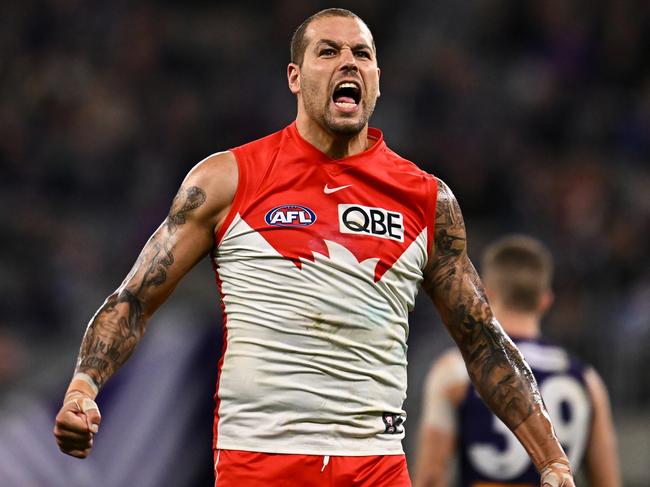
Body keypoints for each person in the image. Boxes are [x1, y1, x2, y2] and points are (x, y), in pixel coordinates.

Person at [53, 8, 576, 487]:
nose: (348, 61)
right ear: (295, 78)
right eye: (328, 51)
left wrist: (553, 461)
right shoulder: (227, 180)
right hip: (259, 463)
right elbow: (135, 299)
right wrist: (83, 388)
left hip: (376, 466)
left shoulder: (426, 199)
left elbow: (482, 338)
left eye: (362, 54)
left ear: (375, 81)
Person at [413, 235, 620, 487]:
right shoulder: (587, 380)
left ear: (484, 293)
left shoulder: (453, 372)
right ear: (545, 301)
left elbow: (431, 477)